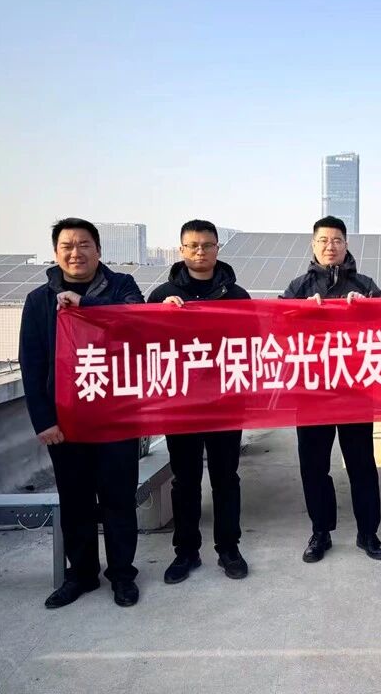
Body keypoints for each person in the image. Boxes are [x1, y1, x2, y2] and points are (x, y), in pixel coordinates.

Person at [19, 217, 144, 608]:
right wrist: (44, 420)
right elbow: (32, 364)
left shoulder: (122, 286)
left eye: (84, 244)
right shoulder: (39, 301)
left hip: (117, 417)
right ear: (56, 253)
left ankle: (122, 574)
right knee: (75, 502)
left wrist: (85, 304)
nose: (76, 253)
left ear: (99, 250)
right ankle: (83, 574)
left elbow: (136, 322)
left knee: (119, 499)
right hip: (67, 423)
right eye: (67, 246)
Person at [148, 219, 252, 583]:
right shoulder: (161, 296)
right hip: (180, 403)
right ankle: (186, 552)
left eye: (207, 245)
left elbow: (251, 345)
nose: (200, 252)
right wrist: (160, 317)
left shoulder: (237, 296)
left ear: (217, 248)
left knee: (226, 478)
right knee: (185, 480)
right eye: (192, 246)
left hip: (225, 402)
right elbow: (144, 344)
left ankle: (229, 549)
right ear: (181, 250)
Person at [281, 216, 381, 563]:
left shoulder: (365, 285)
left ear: (346, 244)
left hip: (356, 392)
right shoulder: (298, 287)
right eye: (324, 240)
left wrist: (367, 311)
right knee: (314, 467)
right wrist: (299, 312)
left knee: (362, 466)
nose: (330, 246)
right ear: (313, 245)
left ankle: (368, 533)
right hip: (312, 392)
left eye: (337, 240)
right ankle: (320, 532)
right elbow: (276, 329)